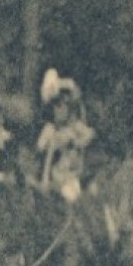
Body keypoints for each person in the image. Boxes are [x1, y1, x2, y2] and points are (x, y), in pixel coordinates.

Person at [36, 69, 93, 203]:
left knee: (76, 189)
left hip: (73, 167)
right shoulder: (55, 131)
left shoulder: (75, 125)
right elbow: (48, 151)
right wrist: (45, 178)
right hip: (61, 171)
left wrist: (65, 84)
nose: (59, 111)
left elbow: (88, 135)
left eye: (61, 107)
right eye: (56, 108)